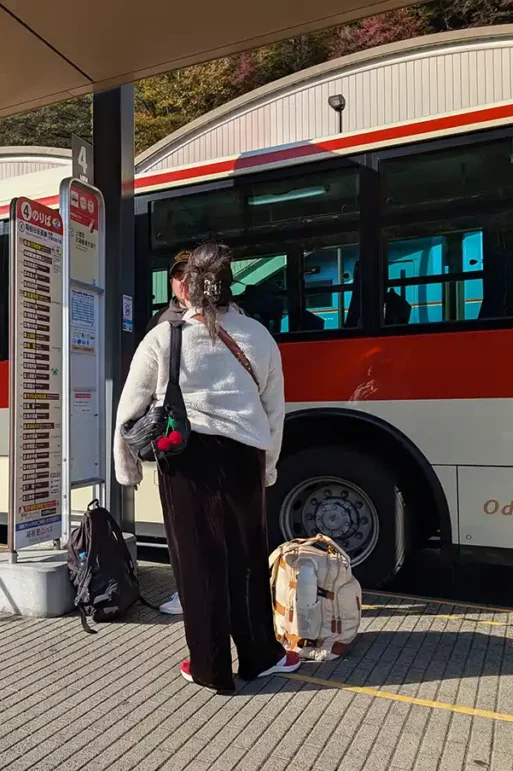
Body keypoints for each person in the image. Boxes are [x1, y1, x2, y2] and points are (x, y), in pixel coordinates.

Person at [113, 241, 300, 692]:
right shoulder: (259, 335)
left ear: (185, 289)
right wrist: (268, 467)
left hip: (186, 459)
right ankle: (259, 656)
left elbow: (129, 411)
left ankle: (210, 667)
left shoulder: (163, 337)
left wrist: (128, 471)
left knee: (197, 563)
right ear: (228, 285)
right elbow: (274, 411)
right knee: (248, 559)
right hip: (245, 458)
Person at [144, 249, 192, 616]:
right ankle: (186, 590)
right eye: (178, 275)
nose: (184, 282)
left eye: (192, 274)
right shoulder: (161, 322)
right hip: (176, 437)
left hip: (215, 434)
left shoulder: (233, 318)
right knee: (179, 521)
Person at [146, 250, 192, 334]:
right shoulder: (158, 320)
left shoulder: (213, 313)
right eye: (179, 275)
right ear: (171, 283)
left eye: (191, 274)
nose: (185, 280)